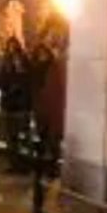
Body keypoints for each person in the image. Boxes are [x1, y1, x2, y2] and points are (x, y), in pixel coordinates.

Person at [0, 38, 32, 173]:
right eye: (9, 45)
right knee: (9, 137)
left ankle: (24, 164)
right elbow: (0, 80)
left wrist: (20, 72)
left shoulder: (24, 62)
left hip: (21, 106)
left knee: (22, 136)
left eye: (14, 46)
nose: (12, 49)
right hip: (8, 104)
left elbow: (27, 82)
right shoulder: (5, 62)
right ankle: (14, 163)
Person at [30, 43, 67, 172]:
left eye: (44, 53)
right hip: (40, 106)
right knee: (41, 136)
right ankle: (43, 164)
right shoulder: (35, 68)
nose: (42, 56)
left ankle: (52, 164)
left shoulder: (54, 68)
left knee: (52, 138)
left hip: (52, 107)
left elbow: (57, 89)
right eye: (40, 53)